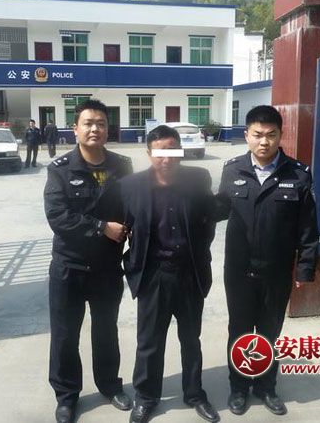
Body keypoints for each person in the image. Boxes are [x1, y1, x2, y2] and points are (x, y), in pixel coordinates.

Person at [215, 105, 319, 417]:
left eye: (271, 135)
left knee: (270, 331)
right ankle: (238, 387)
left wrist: (305, 268)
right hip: (239, 271)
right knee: (240, 330)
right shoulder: (232, 170)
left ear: (280, 135)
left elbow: (307, 227)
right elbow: (216, 211)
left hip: (277, 271)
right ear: (246, 135)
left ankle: (266, 386)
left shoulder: (298, 174)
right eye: (257, 134)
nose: (264, 142)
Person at [120, 125, 220, 423]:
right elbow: (121, 225)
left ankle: (195, 394)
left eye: (173, 150)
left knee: (191, 339)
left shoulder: (198, 178)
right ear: (149, 153)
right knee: (149, 342)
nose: (167, 158)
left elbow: (210, 218)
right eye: (160, 152)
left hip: (189, 273)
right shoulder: (130, 186)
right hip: (154, 275)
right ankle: (146, 397)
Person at [44, 99, 133, 423]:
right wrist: (101, 227)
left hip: (107, 268)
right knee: (65, 335)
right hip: (69, 268)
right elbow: (58, 216)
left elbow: (131, 209)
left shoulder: (122, 166)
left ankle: (110, 385)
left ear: (108, 129)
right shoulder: (60, 169)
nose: (95, 129)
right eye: (88, 123)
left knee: (106, 330)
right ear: (75, 129)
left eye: (101, 124)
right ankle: (67, 396)